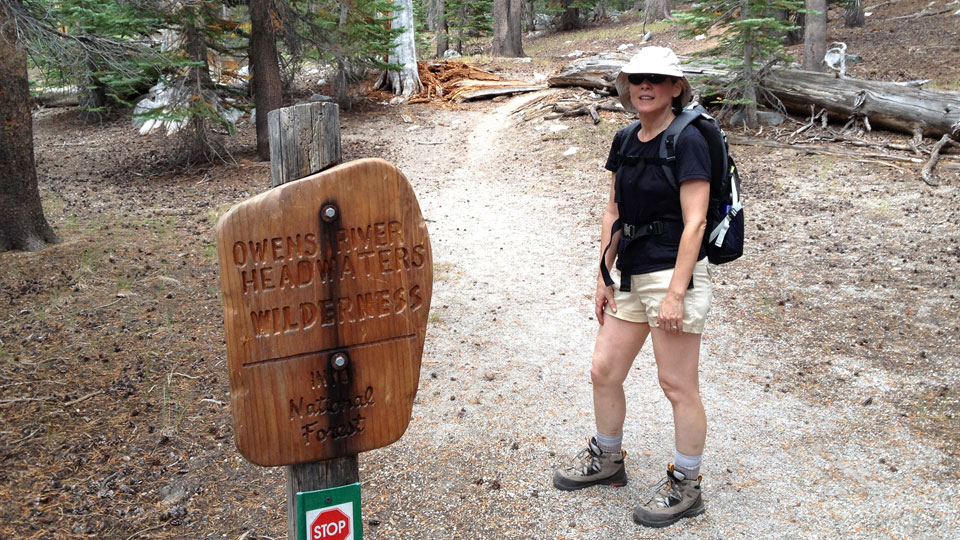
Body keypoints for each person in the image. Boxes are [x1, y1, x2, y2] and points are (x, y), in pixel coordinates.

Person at [552, 46, 713, 529]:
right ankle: (607, 460)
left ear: (676, 88)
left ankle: (687, 484)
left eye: (658, 80)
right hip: (629, 274)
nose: (646, 87)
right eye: (638, 79)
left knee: (676, 383)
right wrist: (602, 275)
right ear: (627, 86)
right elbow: (613, 211)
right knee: (604, 369)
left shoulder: (689, 140)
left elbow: (696, 220)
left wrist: (676, 292)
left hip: (670, 274)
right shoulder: (625, 138)